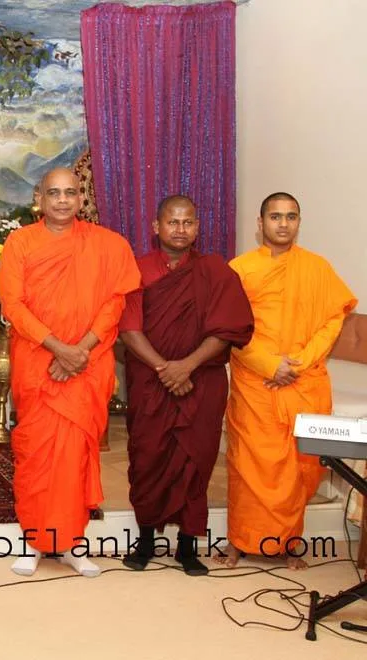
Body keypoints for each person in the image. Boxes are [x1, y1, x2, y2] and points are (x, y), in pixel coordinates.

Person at [0, 167, 139, 577]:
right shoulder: (19, 243)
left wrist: (82, 349)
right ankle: (35, 541)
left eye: (71, 193)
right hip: (39, 363)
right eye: (54, 193)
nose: (62, 200)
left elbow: (115, 304)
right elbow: (13, 306)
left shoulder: (108, 245)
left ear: (82, 199)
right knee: (36, 456)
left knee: (76, 456)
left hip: (87, 363)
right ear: (38, 198)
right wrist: (59, 348)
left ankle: (73, 542)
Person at [216, 192, 356, 570]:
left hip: (303, 379)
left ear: (298, 222)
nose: (283, 223)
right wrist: (267, 364)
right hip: (255, 384)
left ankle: (289, 542)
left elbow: (332, 321)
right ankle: (240, 540)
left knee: (299, 467)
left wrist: (300, 362)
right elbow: (228, 328)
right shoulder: (239, 269)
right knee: (249, 465)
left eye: (290, 216)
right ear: (260, 224)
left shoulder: (317, 268)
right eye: (275, 216)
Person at [118, 195, 254, 575]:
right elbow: (128, 329)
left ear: (197, 227)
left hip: (201, 382)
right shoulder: (136, 269)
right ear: (156, 227)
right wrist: (167, 369)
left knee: (196, 462)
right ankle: (145, 541)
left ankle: (188, 546)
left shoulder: (216, 271)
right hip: (151, 380)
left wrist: (187, 366)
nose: (180, 229)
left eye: (188, 222)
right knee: (147, 458)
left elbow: (228, 329)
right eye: (173, 222)